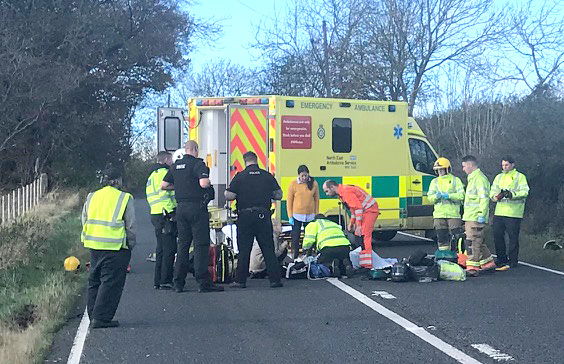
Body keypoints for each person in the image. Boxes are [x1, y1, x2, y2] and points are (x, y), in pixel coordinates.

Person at [161, 141, 223, 293]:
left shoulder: (176, 165)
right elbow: (203, 183)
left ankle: (178, 283)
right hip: (196, 209)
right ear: (195, 150)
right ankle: (203, 282)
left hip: (181, 209)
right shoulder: (198, 164)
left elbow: (164, 185)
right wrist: (206, 182)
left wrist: (181, 186)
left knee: (183, 245)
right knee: (201, 245)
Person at [82, 167, 136, 329]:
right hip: (116, 246)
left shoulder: (92, 196)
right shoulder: (125, 198)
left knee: (95, 280)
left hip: (94, 245)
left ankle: (92, 314)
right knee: (111, 283)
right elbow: (131, 226)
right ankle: (102, 318)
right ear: (118, 181)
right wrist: (130, 245)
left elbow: (84, 219)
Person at [225, 151, 283, 288]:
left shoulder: (240, 176)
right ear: (256, 160)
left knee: (244, 249)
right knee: (268, 248)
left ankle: (240, 280)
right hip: (263, 216)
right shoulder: (267, 176)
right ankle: (275, 280)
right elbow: (279, 195)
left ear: (245, 161)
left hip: (245, 217)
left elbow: (229, 195)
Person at [322, 180, 379, 268]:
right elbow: (354, 209)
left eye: (327, 191)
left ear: (332, 187)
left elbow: (358, 208)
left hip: (370, 210)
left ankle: (367, 266)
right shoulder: (343, 193)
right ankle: (364, 262)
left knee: (364, 236)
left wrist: (358, 226)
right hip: (366, 210)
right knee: (358, 236)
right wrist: (352, 223)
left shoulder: (345, 192)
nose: (327, 194)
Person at [490, 156, 530, 271]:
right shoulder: (499, 177)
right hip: (500, 211)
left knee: (513, 237)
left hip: (514, 213)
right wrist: (495, 197)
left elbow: (524, 191)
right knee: (497, 235)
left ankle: (513, 260)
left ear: (512, 164)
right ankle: (501, 259)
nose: (504, 167)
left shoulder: (520, 177)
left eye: (506, 165)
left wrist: (511, 194)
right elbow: (493, 190)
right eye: (502, 165)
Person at [146, 151, 177, 289]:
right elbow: (166, 190)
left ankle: (158, 280)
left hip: (156, 213)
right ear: (165, 160)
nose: (172, 163)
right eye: (171, 160)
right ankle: (166, 279)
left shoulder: (152, 175)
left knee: (161, 249)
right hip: (166, 214)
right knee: (169, 249)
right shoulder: (163, 173)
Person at [461, 155, 496, 277]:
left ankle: (472, 267)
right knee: (479, 240)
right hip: (471, 216)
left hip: (475, 217)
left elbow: (483, 199)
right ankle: (488, 263)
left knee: (472, 242)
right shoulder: (473, 179)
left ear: (470, 165)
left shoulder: (479, 179)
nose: (463, 169)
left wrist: (481, 214)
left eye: (464, 166)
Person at [427, 157, 465, 251]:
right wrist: (436, 196)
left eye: (441, 169)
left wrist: (449, 196)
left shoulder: (456, 180)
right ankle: (444, 257)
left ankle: (459, 257)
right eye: (438, 170)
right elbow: (430, 198)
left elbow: (461, 195)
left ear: (447, 169)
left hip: (453, 214)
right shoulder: (434, 182)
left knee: (457, 238)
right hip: (439, 215)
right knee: (442, 239)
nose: (439, 172)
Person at [286, 165, 319, 258]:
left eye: (306, 175)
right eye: (302, 176)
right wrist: (290, 216)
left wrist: (316, 214)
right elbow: (289, 200)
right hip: (297, 215)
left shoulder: (313, 183)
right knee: (295, 237)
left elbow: (316, 199)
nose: (304, 178)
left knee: (309, 237)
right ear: (298, 176)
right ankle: (295, 256)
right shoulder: (293, 184)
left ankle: (309, 255)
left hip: (310, 215)